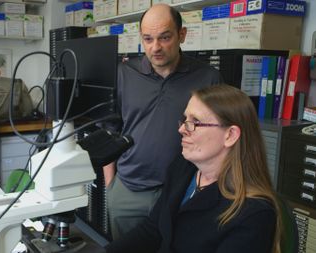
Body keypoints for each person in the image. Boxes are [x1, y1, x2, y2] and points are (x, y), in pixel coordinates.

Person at [105, 84, 282, 253]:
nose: (182, 129)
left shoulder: (253, 214)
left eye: (195, 122)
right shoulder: (183, 168)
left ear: (230, 135)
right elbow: (153, 229)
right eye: (184, 119)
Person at [104, 3, 222, 239]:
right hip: (128, 189)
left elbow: (218, 138)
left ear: (182, 35)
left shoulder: (208, 77)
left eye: (164, 37)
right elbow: (110, 131)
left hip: (182, 190)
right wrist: (111, 186)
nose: (155, 47)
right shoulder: (123, 74)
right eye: (148, 39)